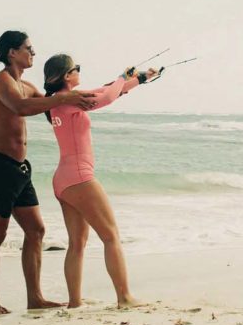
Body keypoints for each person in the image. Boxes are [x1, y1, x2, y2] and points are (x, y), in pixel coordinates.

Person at [0, 30, 97, 315]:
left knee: (36, 230)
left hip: (19, 169)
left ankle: (35, 298)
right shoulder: (0, 83)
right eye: (28, 48)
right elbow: (21, 107)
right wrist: (58, 100)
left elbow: (50, 106)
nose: (33, 53)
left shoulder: (27, 85)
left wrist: (76, 97)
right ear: (12, 53)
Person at [42, 54, 160, 308]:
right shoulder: (72, 100)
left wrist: (139, 79)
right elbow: (106, 96)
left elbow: (107, 91)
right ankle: (124, 297)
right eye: (77, 68)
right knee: (111, 236)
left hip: (63, 178)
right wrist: (121, 78)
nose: (79, 71)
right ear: (66, 75)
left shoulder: (59, 102)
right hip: (79, 177)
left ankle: (75, 303)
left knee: (77, 243)